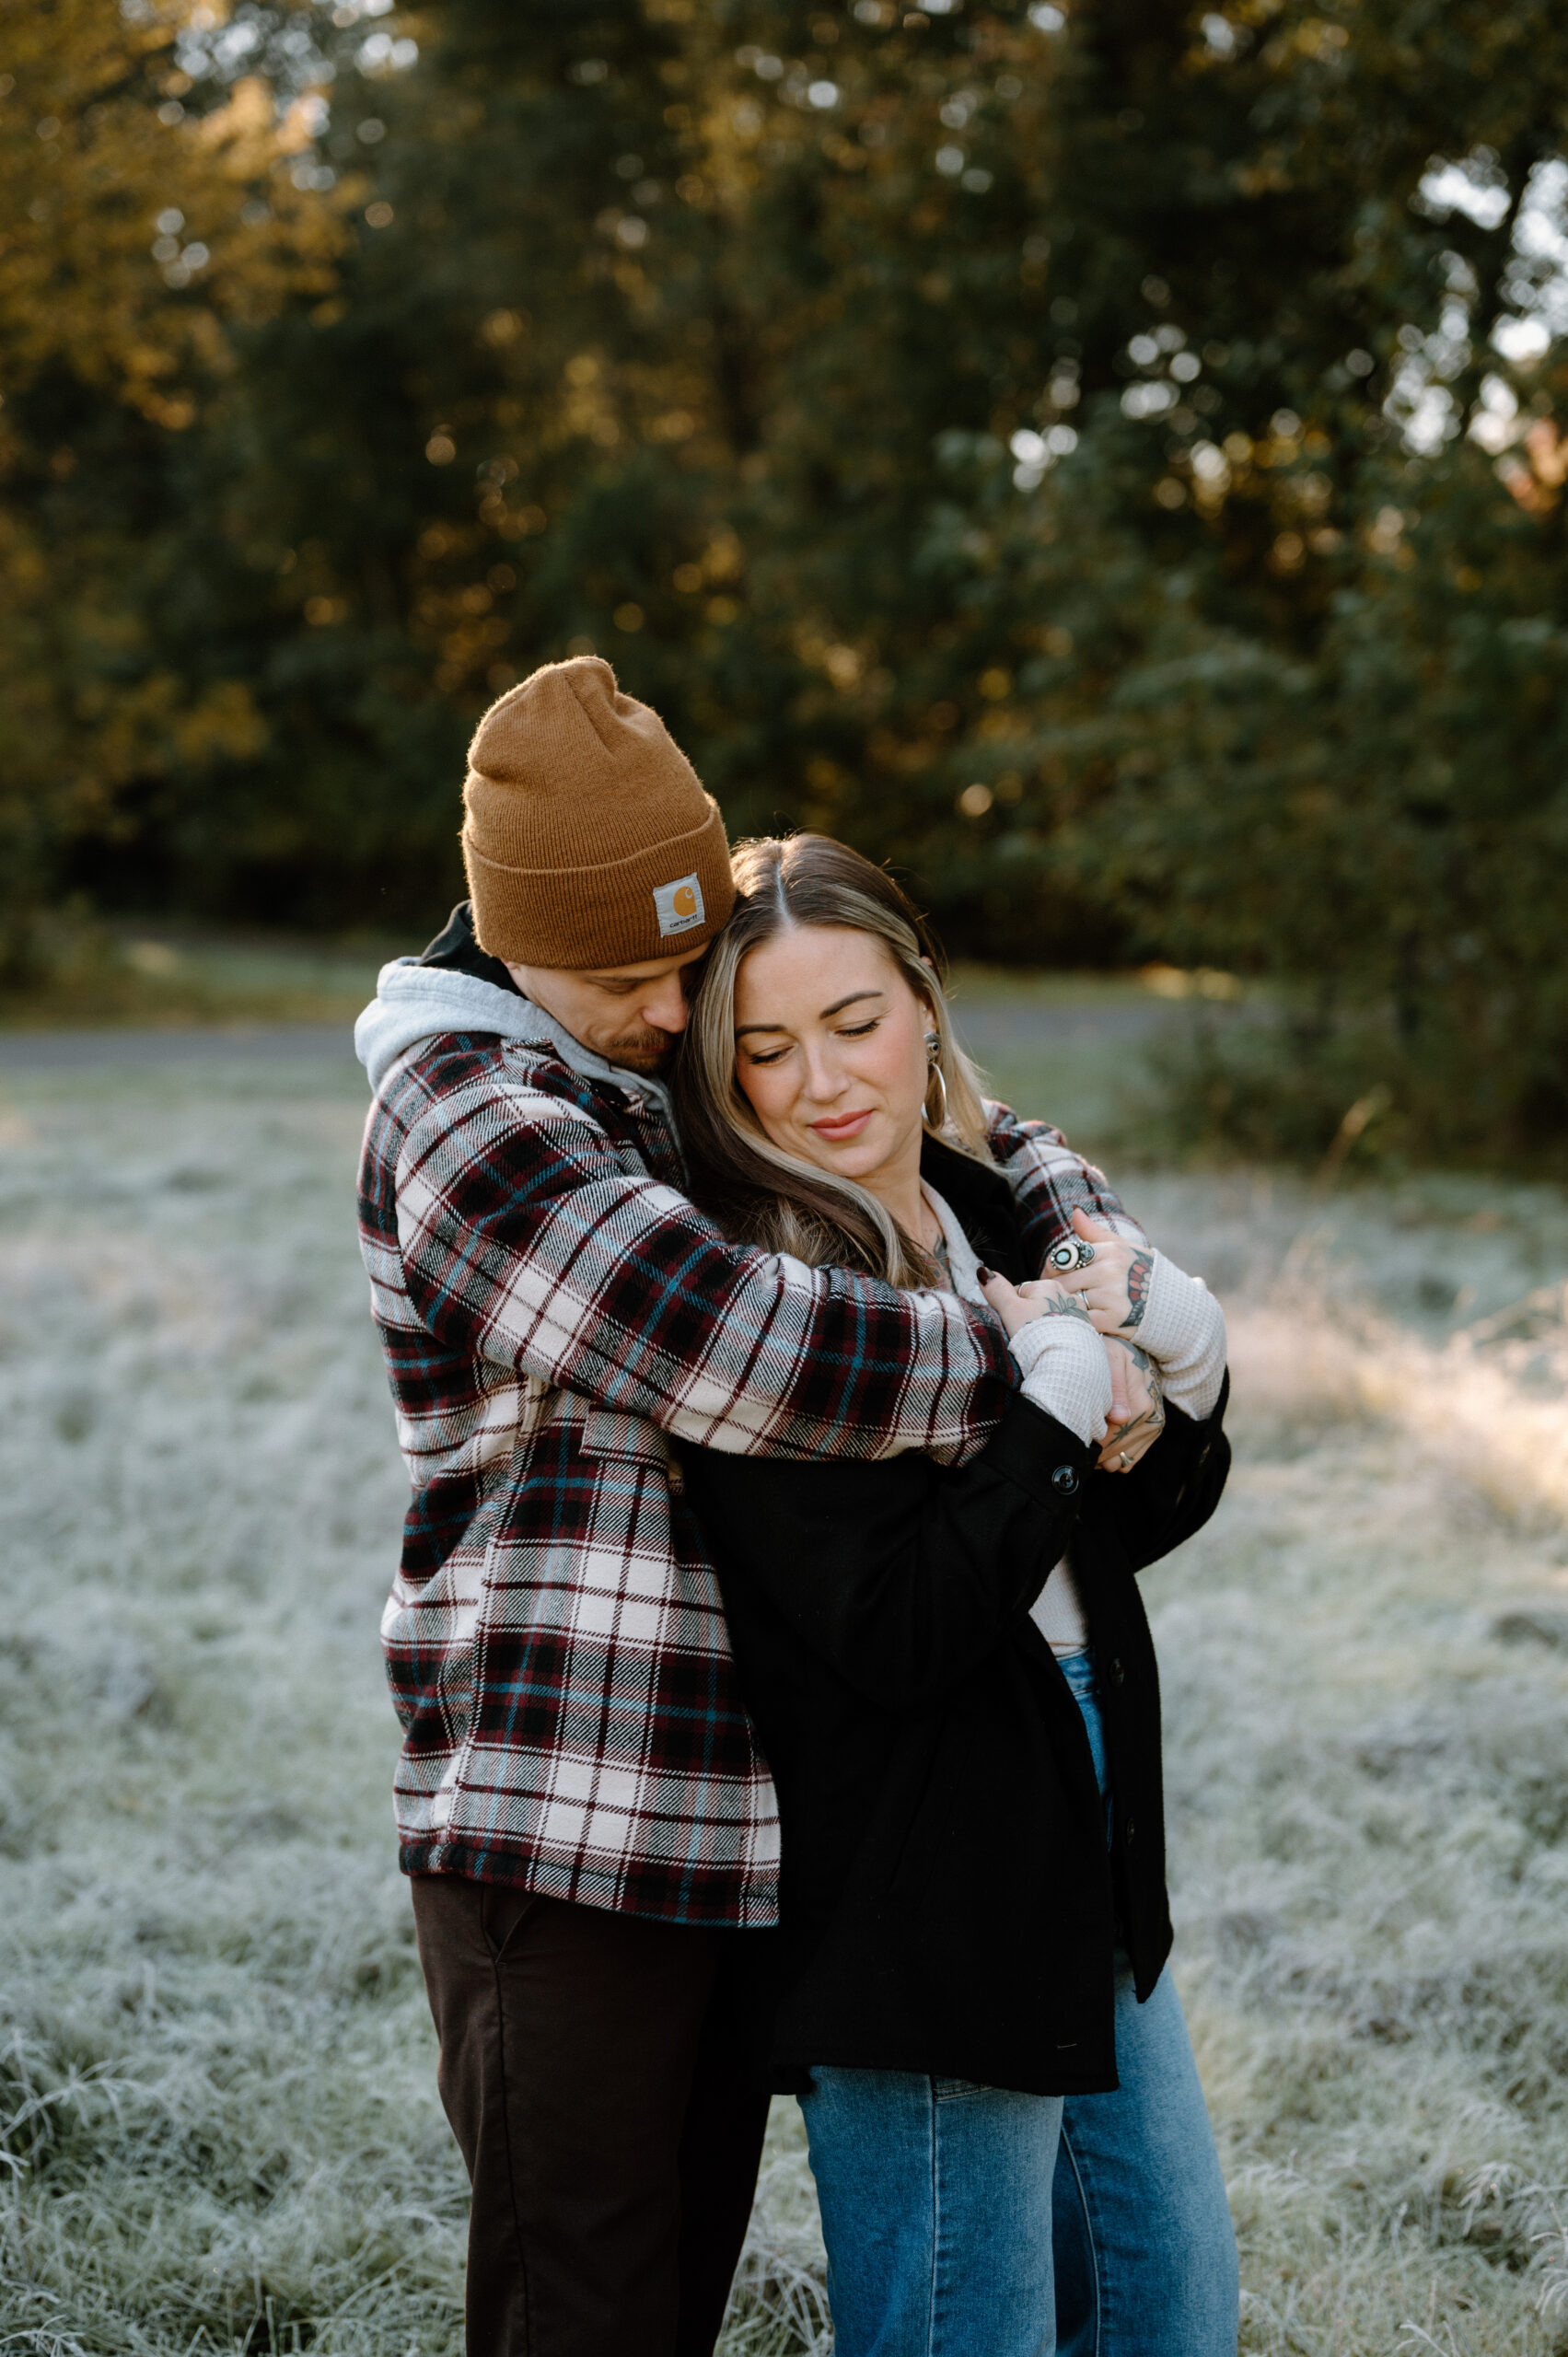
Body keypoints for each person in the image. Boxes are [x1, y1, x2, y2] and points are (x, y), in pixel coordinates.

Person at [352, 658, 1160, 2357]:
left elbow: (959, 1120)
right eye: (624, 974)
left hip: (739, 1812)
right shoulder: (465, 1119)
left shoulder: (631, 1064)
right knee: (583, 2306)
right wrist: (1041, 1366)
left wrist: (1091, 1258)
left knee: (681, 2301)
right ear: (509, 938)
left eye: (682, 964)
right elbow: (743, 1349)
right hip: (562, 1815)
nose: (671, 1007)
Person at [672, 832, 1240, 2357]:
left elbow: (1126, 1527)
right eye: (764, 1047)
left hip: (1092, 1802)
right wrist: (1050, 1410)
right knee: (962, 2326)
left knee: (1166, 2301)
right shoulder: (758, 1291)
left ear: (923, 1005)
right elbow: (898, 1628)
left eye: (853, 1022)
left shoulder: (982, 1215)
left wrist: (1183, 1367)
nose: (820, 1082)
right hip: (917, 1863)